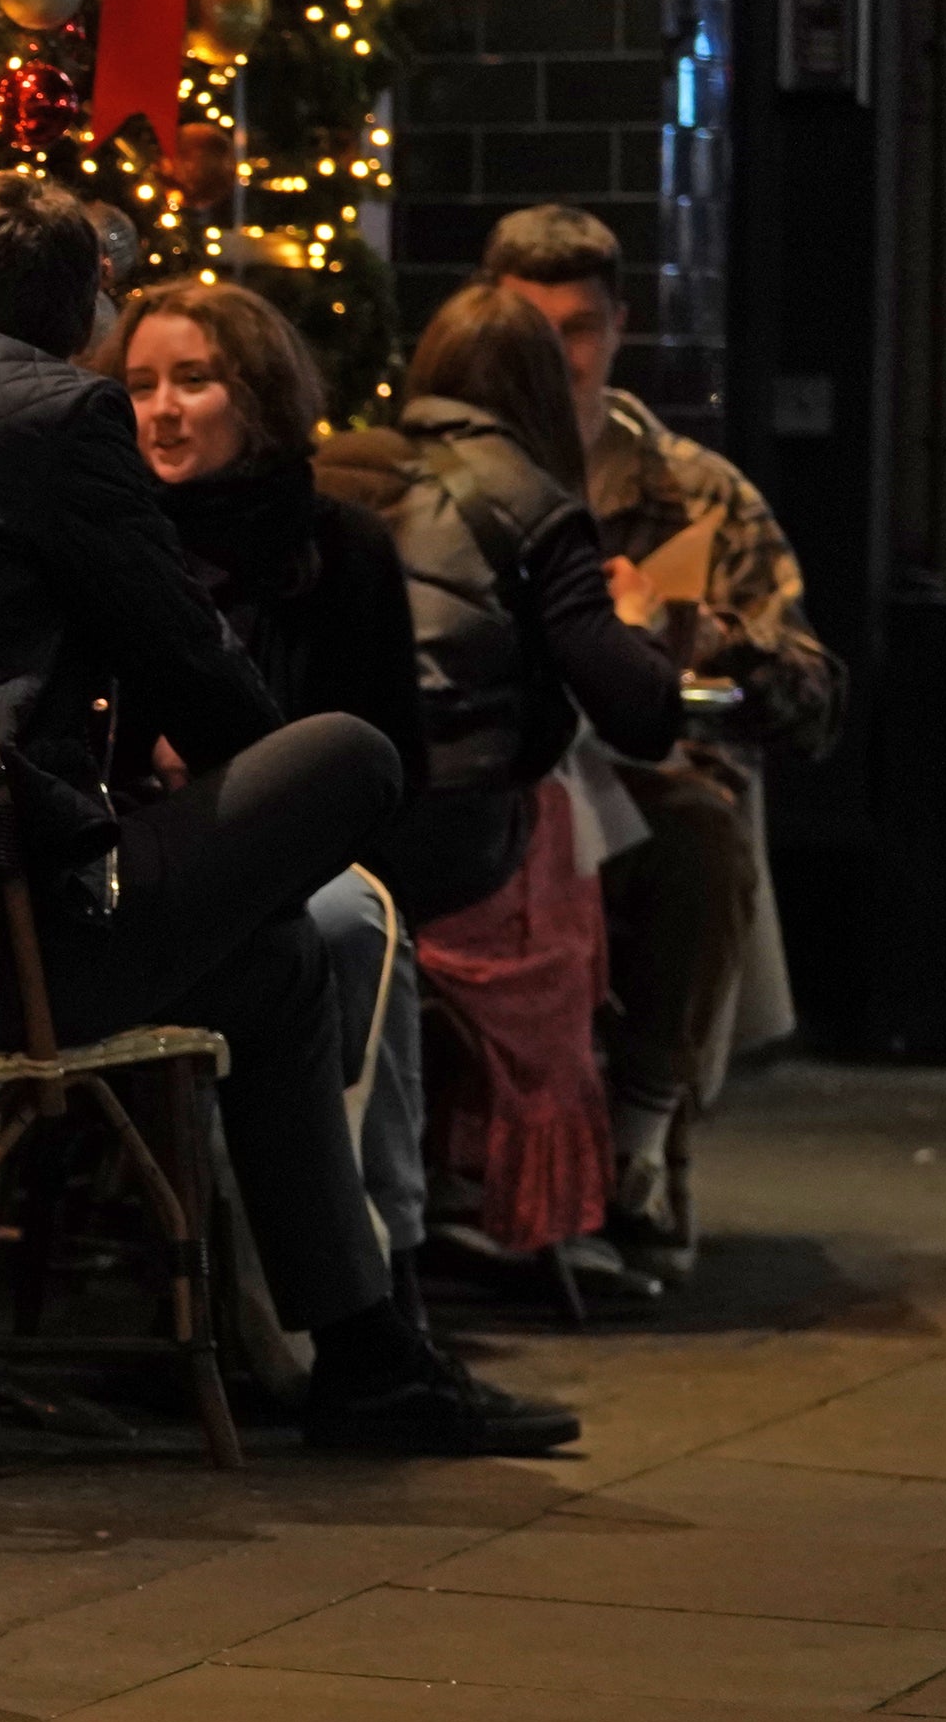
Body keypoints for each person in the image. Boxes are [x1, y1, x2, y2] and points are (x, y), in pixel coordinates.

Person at [0, 171, 573, 1457]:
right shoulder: (63, 413)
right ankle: (360, 1345)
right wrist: (255, 814)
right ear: (92, 320)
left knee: (282, 963)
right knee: (350, 756)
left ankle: (365, 1356)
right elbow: (191, 660)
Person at [483, 204, 843, 1282]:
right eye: (529, 328)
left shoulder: (691, 493)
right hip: (497, 774)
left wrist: (701, 635)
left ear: (618, 327)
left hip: (642, 784)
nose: (557, 355)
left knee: (693, 837)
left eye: (579, 328)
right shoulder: (455, 473)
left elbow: (814, 700)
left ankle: (632, 1149)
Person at [319, 284, 685, 1279]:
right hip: (450, 843)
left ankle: (452, 1175)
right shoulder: (534, 501)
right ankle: (540, 1192)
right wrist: (642, 624)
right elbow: (637, 713)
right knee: (568, 827)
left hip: (328, 823)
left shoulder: (344, 469)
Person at [98, 282, 436, 1335]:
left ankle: (378, 1276)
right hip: (143, 861)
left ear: (256, 395)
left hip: (304, 858)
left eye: (192, 382)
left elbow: (384, 761)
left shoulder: (338, 548)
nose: (160, 410)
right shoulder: (110, 535)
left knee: (349, 924)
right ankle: (282, 1309)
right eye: (139, 384)